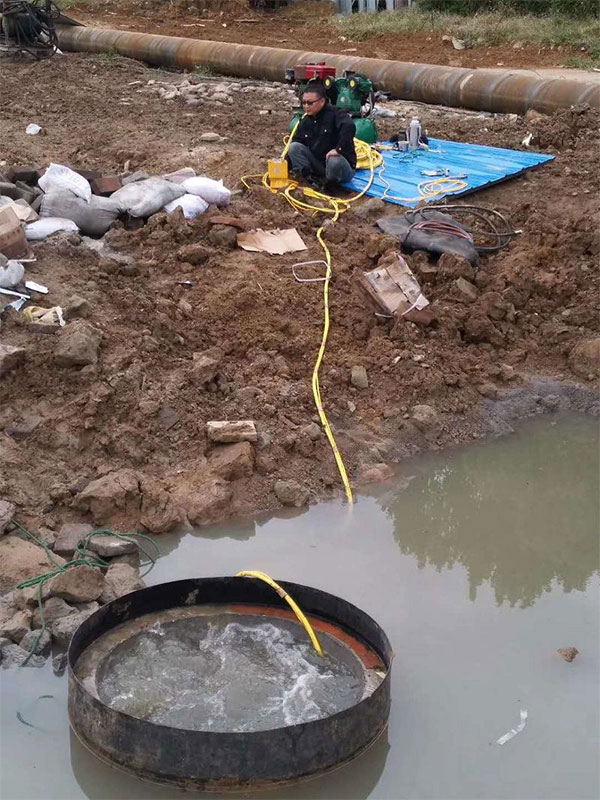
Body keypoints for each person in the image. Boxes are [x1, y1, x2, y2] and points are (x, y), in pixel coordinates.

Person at [287, 83, 357, 189]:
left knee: (334, 160)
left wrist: (338, 149)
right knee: (294, 147)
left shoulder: (335, 114)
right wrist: (284, 164)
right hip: (320, 165)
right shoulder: (306, 121)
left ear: (322, 101)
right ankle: (310, 180)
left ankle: (332, 186)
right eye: (304, 102)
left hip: (341, 168)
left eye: (310, 103)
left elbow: (349, 126)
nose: (306, 106)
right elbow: (298, 142)